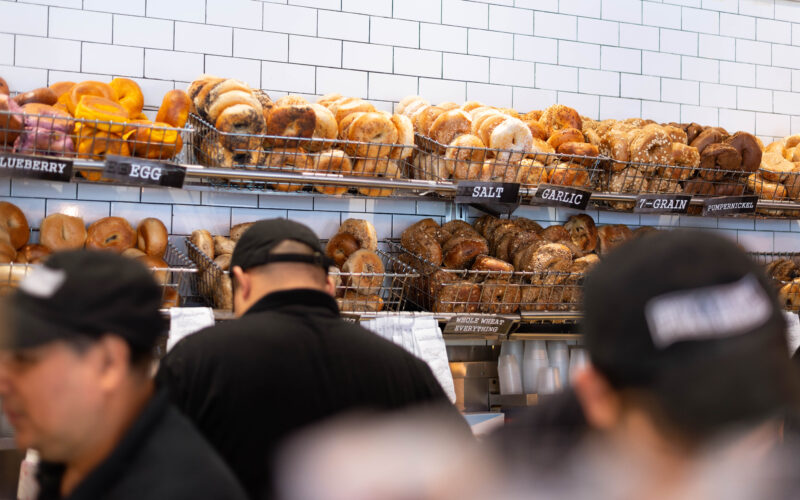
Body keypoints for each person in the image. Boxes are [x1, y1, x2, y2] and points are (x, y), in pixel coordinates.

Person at [157, 219, 458, 499]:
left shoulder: (193, 361)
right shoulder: (405, 369)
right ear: (330, 286)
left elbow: (146, 475)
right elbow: (468, 480)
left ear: (241, 283)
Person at [0, 251, 247, 500]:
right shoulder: (68, 452)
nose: (3, 381)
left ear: (108, 364)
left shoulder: (183, 491)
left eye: (24, 360)